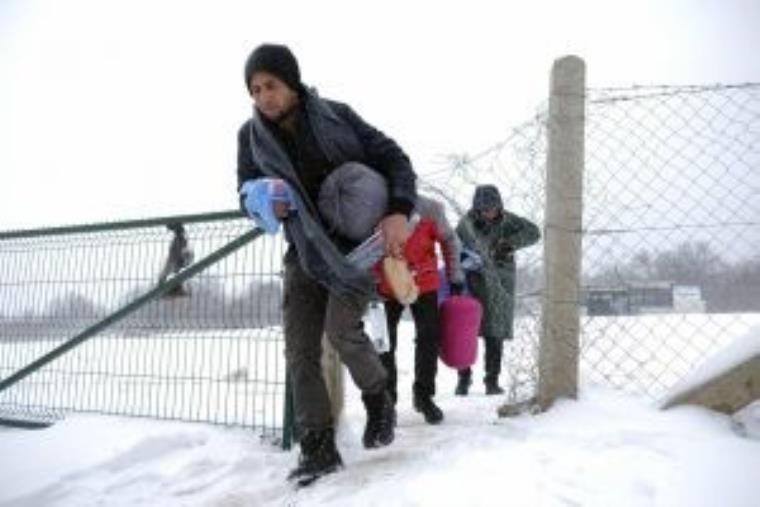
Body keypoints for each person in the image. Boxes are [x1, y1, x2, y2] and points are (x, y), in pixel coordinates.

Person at [236, 43, 417, 486]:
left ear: (291, 82)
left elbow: (394, 158)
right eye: (255, 89)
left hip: (355, 252)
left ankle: (379, 399)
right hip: (304, 250)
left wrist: (398, 209)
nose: (264, 97)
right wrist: (259, 201)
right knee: (299, 352)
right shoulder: (250, 137)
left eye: (271, 85)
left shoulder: (337, 115)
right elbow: (243, 190)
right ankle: (318, 448)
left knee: (341, 331)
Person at [373, 195, 464, 425]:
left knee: (429, 337)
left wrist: (455, 275)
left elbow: (450, 240)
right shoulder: (374, 206)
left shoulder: (431, 209)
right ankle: (388, 402)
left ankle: (423, 396)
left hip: (424, 282)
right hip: (385, 282)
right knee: (385, 342)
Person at [455, 185, 540, 396]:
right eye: (484, 209)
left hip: (499, 285)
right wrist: (461, 264)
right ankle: (463, 379)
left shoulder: (509, 220)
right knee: (465, 331)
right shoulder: (465, 224)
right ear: (476, 208)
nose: (490, 212)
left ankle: (491, 380)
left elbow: (534, 232)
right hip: (472, 282)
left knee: (495, 331)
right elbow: (454, 247)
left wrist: (509, 243)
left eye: (493, 208)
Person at [158, 222, 193, 297]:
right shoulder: (181, 241)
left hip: (176, 265)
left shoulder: (181, 241)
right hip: (175, 264)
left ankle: (173, 289)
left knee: (168, 274)